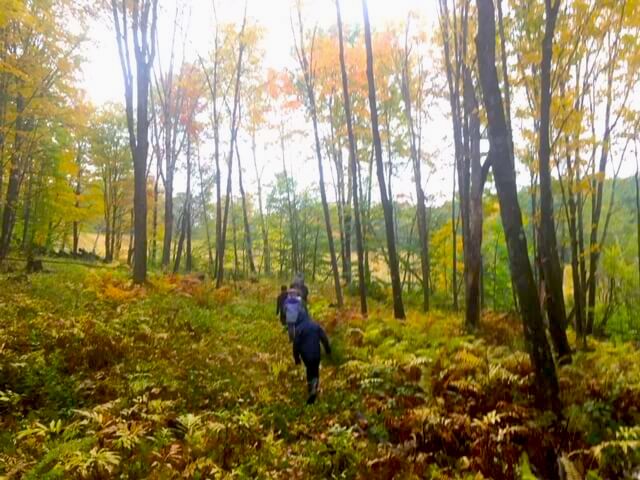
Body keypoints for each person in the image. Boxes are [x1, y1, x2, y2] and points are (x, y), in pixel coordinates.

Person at [293, 313, 331, 405]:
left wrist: (296, 358)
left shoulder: (299, 329)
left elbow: (296, 345)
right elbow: (324, 338)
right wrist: (328, 349)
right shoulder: (315, 326)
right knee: (315, 370)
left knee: (309, 370)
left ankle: (312, 389)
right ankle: (314, 388)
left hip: (306, 355)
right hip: (316, 353)